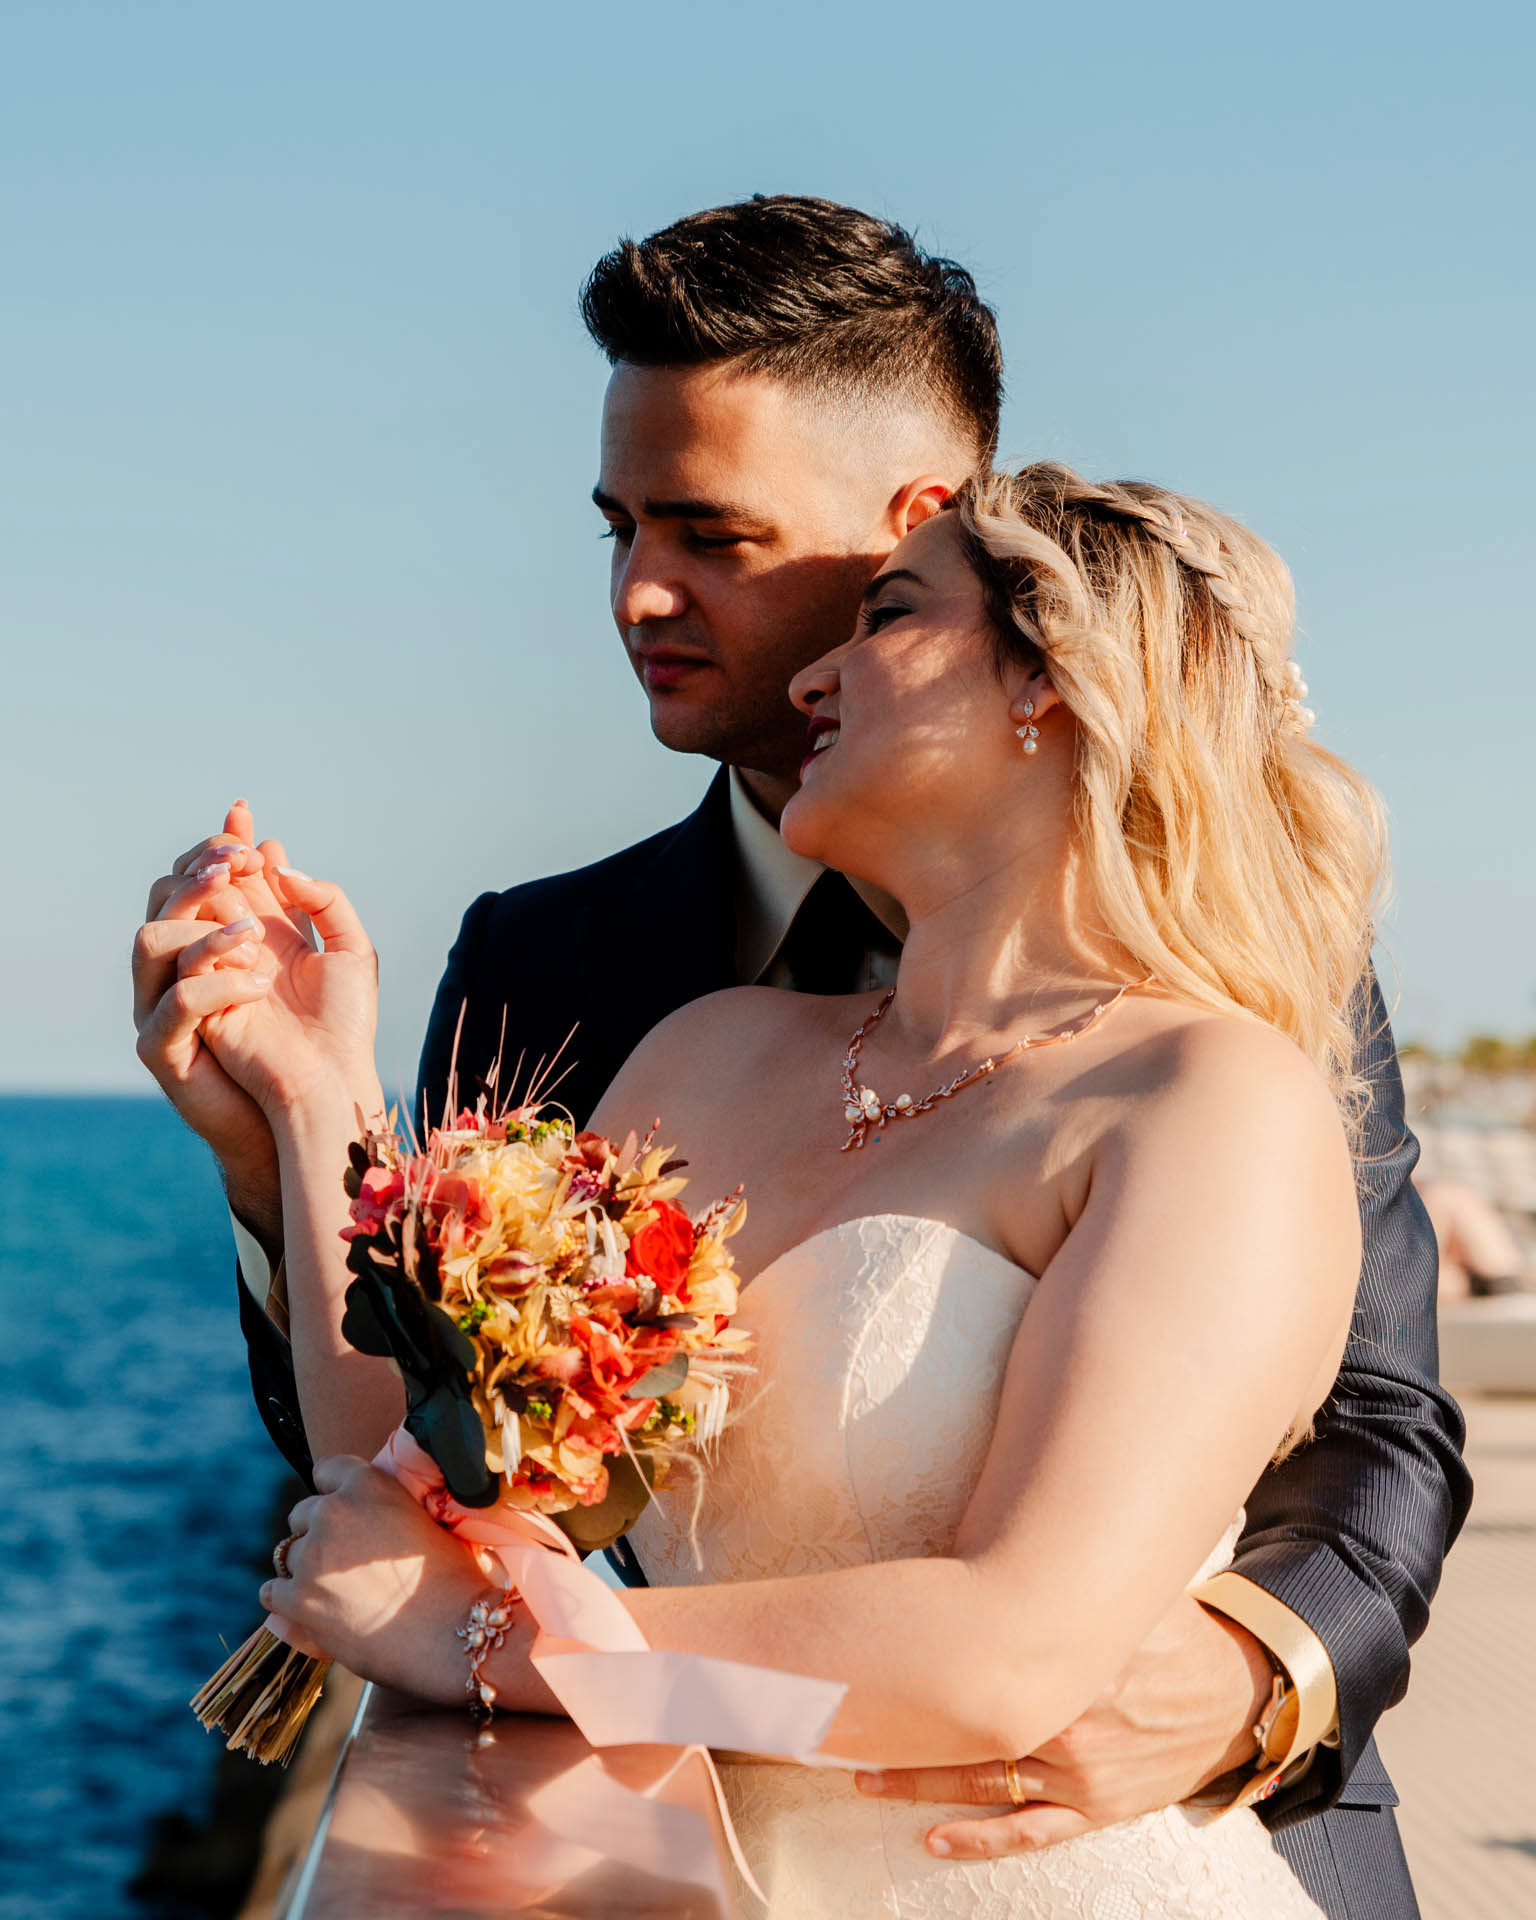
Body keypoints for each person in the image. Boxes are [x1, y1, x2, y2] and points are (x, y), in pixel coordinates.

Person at [133, 197, 1468, 1916]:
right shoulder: (641, 1011)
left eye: (711, 530)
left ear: (1029, 657)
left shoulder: (1217, 1057)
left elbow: (1373, 1414)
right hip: (657, 1863)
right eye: (616, 524)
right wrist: (308, 1119)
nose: (636, 592)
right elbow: (450, 1453)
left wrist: (1248, 1670)